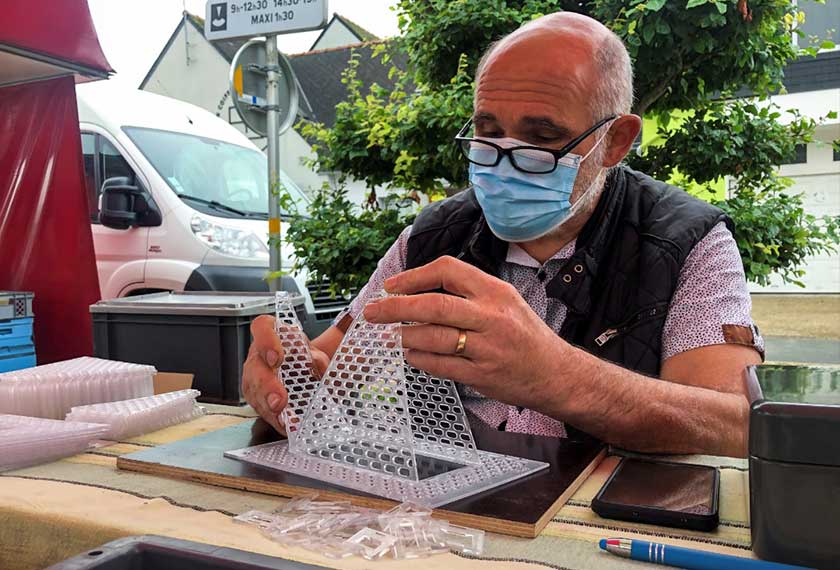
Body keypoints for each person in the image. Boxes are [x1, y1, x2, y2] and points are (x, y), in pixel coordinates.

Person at [243, 12, 763, 458]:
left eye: (542, 137)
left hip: (592, 519)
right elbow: (333, 362)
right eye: (488, 132)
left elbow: (734, 423)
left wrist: (556, 376)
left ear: (615, 141)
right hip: (444, 509)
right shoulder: (433, 238)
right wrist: (290, 378)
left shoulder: (684, 242)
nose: (505, 161)